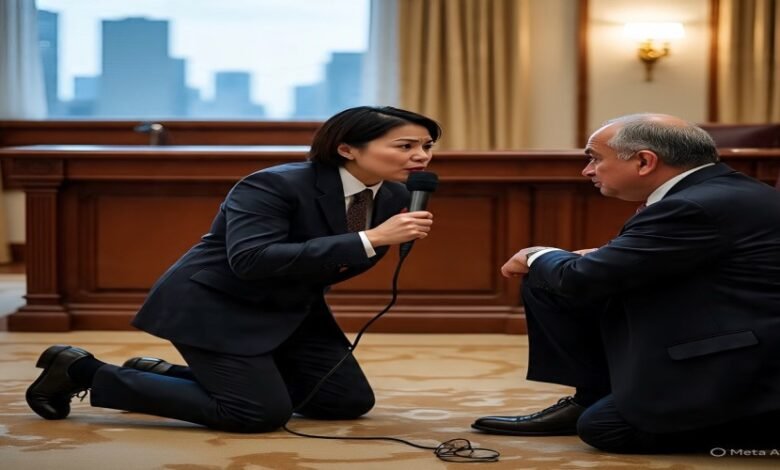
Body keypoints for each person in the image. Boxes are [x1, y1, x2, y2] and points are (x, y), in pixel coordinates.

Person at [26, 106, 441, 433]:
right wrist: (370, 238)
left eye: (426, 145)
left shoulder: (395, 196)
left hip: (292, 307)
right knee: (256, 413)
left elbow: (339, 262)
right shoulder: (273, 185)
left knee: (345, 402)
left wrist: (367, 241)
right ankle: (81, 370)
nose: (421, 156)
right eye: (405, 146)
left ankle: (160, 375)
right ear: (347, 149)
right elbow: (251, 259)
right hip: (216, 304)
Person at [472, 114, 780, 453]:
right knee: (547, 282)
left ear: (645, 161)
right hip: (716, 317)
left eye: (595, 158)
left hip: (748, 359)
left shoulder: (693, 205)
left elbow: (580, 278)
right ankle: (593, 394)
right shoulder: (716, 191)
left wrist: (536, 253)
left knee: (605, 428)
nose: (587, 171)